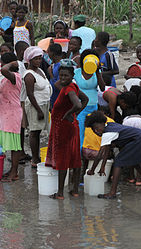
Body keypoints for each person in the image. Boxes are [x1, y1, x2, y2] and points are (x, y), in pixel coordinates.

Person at [85, 111, 141, 199]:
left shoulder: (107, 132)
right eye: (94, 130)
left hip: (138, 140)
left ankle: (112, 193)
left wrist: (92, 170)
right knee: (136, 163)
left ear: (101, 123)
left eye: (96, 128)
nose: (96, 131)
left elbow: (100, 154)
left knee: (118, 162)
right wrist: (102, 167)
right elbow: (107, 150)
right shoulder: (110, 126)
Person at [45, 65, 89, 199]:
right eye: (61, 75)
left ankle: (59, 193)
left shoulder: (69, 89)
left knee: (63, 158)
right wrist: (74, 115)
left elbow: (78, 104)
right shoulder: (71, 87)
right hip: (71, 125)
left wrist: (69, 113)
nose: (63, 78)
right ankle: (74, 190)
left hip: (64, 128)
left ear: (72, 76)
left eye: (66, 76)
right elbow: (85, 99)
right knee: (74, 157)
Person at [23, 46, 52, 168]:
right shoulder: (29, 75)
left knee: (39, 131)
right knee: (34, 132)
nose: (39, 61)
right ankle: (35, 158)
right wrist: (39, 110)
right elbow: (30, 94)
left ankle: (38, 156)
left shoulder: (39, 70)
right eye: (36, 59)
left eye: (40, 58)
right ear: (30, 60)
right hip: (36, 106)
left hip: (44, 103)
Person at [0, 53, 23, 182]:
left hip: (12, 114)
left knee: (15, 146)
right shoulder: (7, 78)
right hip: (6, 114)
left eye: (2, 62)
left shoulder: (14, 77)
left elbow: (4, 70)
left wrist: (13, 63)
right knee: (10, 144)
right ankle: (12, 169)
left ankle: (14, 172)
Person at [74, 49, 105, 147]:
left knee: (94, 133)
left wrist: (97, 71)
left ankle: (93, 152)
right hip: (81, 108)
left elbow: (102, 88)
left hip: (93, 107)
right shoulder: (77, 73)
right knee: (80, 132)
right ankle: (79, 155)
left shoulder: (97, 73)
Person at [15, 41, 31, 162]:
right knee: (20, 128)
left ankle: (21, 151)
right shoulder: (19, 65)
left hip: (20, 99)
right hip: (19, 100)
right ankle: (19, 152)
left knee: (21, 127)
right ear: (22, 52)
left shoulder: (20, 64)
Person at [47, 43, 63, 109]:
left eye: (49, 52)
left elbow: (59, 84)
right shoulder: (54, 65)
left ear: (52, 53)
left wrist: (50, 74)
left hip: (58, 99)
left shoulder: (60, 66)